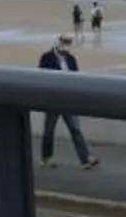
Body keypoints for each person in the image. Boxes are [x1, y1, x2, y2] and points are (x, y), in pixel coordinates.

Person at [37, 34, 98, 167]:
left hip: (67, 99)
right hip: (52, 100)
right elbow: (41, 77)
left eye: (68, 43)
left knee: (75, 128)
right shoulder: (47, 58)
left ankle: (85, 159)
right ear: (58, 42)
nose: (66, 46)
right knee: (49, 131)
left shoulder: (71, 59)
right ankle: (46, 158)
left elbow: (76, 77)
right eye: (65, 42)